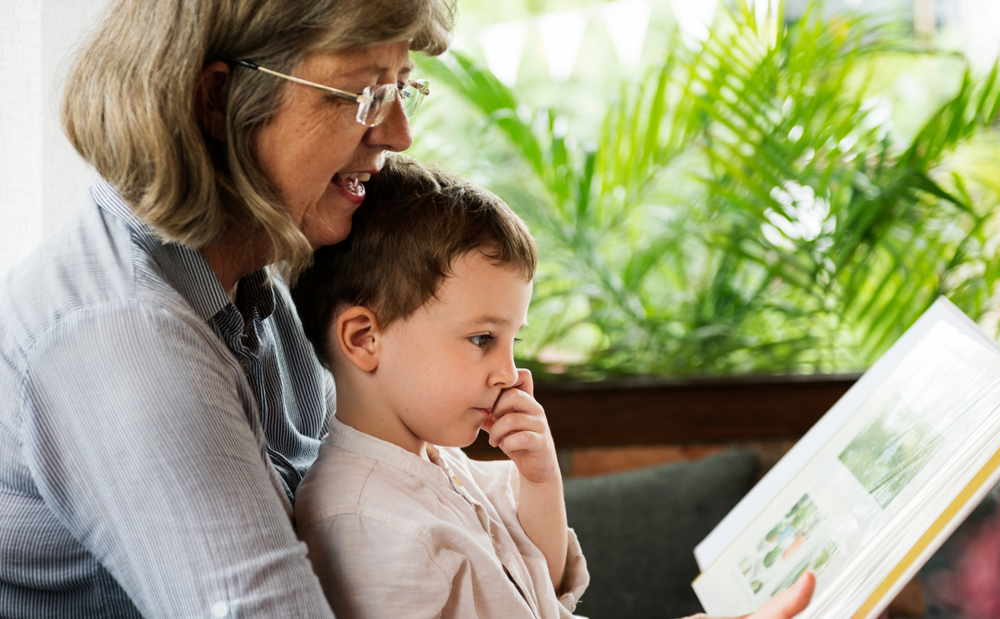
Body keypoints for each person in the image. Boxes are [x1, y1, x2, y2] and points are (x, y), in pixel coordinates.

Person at [0, 0, 812, 617]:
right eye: (361, 94)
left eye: (399, 87)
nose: (398, 130)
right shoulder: (124, 339)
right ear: (219, 101)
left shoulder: (259, 290)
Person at [288, 154, 815, 619]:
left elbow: (538, 587)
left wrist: (540, 481)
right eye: (481, 338)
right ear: (364, 339)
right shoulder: (364, 523)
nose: (507, 372)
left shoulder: (436, 462)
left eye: (511, 340)